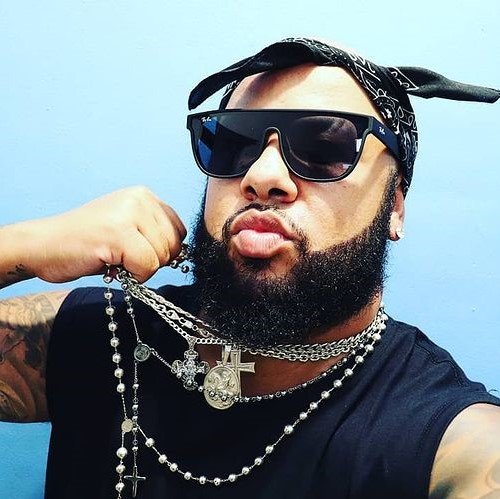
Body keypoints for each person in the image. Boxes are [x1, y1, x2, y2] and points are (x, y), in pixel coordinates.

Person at [0, 37, 499, 499]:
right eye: (233, 143)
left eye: (325, 146)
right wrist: (21, 245)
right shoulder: (108, 336)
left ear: (395, 208)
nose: (261, 175)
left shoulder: (444, 435)